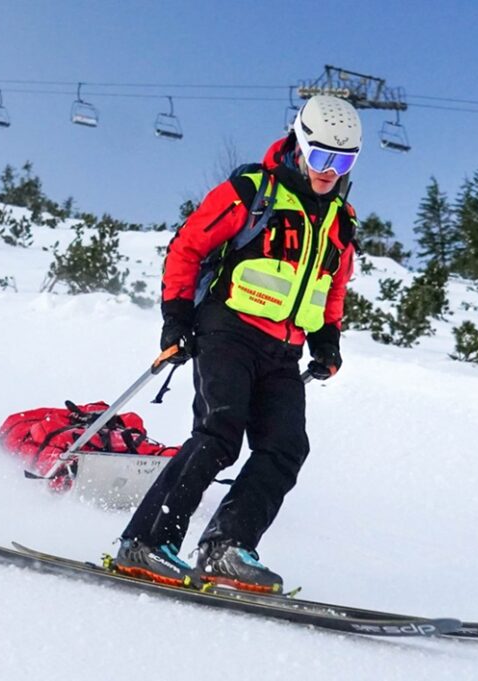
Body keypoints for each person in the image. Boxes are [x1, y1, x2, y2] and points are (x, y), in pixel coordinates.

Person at [113, 95, 362, 593]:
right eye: (321, 158)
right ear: (299, 144)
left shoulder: (341, 218)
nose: (329, 171)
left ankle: (226, 548)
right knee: (220, 434)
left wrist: (327, 340)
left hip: (284, 350)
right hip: (228, 329)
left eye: (344, 161)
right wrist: (176, 319)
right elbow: (187, 247)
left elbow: (332, 285)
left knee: (286, 447)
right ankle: (145, 541)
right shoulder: (252, 190)